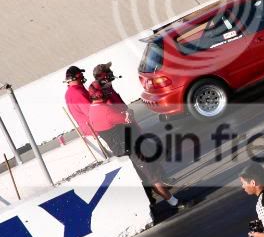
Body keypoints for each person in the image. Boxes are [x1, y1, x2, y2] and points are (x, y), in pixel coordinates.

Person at [88, 82, 184, 211]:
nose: (108, 93)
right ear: (100, 94)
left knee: (144, 177)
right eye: (105, 92)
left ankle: (153, 204)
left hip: (120, 149)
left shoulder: (92, 110)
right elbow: (128, 118)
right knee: (152, 176)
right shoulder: (106, 111)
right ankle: (174, 202)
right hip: (131, 147)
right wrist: (128, 112)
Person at [64, 66, 92, 136]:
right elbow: (91, 112)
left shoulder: (69, 92)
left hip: (87, 129)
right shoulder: (78, 92)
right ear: (78, 76)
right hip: (95, 129)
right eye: (81, 75)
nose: (83, 77)